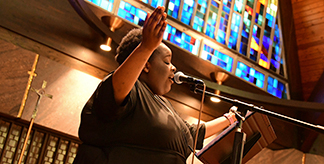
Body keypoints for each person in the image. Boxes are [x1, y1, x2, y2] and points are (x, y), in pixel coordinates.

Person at [73, 6, 236, 164]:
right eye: (166, 61)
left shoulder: (163, 103)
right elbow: (115, 89)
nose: (173, 68)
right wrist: (146, 47)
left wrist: (229, 119)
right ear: (146, 65)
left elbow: (191, 135)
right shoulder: (131, 89)